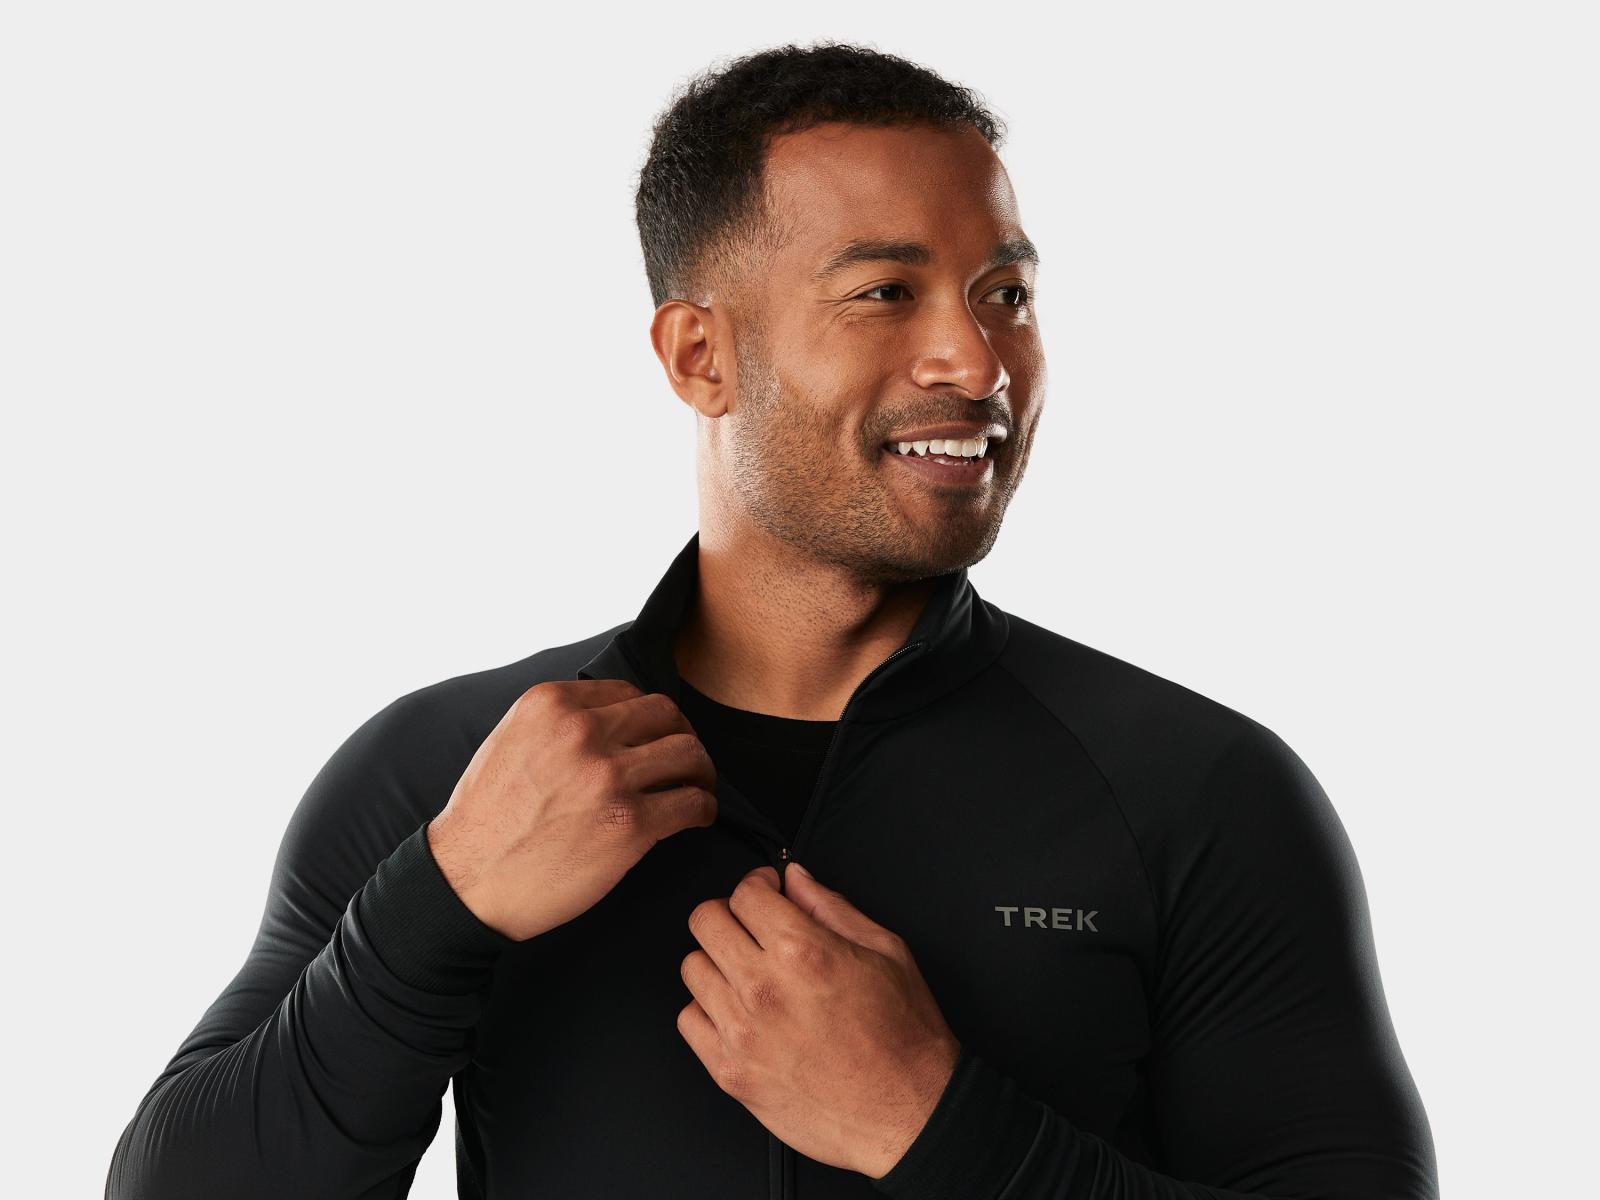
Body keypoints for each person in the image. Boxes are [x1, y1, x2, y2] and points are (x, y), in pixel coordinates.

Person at [106, 40, 1439, 1200]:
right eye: (886, 291)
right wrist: (437, 905)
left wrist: (936, 1128)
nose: (977, 361)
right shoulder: (453, 769)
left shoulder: (1199, 794)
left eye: (1007, 294)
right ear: (701, 356)